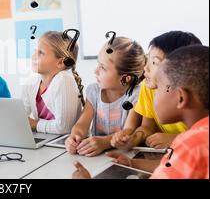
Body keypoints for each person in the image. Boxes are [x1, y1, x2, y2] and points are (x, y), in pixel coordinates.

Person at [73, 45, 209, 179]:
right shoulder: (201, 136)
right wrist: (132, 163)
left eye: (158, 88)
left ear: (180, 97)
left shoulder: (191, 144)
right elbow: (173, 166)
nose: (152, 94)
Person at [111, 31, 202, 150]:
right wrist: (134, 139)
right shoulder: (148, 87)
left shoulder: (198, 94)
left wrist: (175, 139)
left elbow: (204, 134)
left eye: (154, 62)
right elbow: (147, 127)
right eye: (148, 59)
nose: (146, 68)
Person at [66, 36, 145, 156]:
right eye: (98, 64)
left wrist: (104, 143)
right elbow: (81, 124)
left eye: (103, 67)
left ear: (125, 78)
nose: (96, 71)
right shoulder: (94, 91)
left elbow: (129, 131)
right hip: (96, 155)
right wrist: (74, 137)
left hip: (124, 155)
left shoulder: (136, 96)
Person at [21, 31, 83, 134]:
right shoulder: (31, 82)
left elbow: (64, 128)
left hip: (66, 143)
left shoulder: (64, 81)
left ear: (60, 63)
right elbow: (21, 114)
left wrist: (35, 124)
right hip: (46, 138)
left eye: (41, 53)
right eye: (35, 51)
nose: (33, 56)